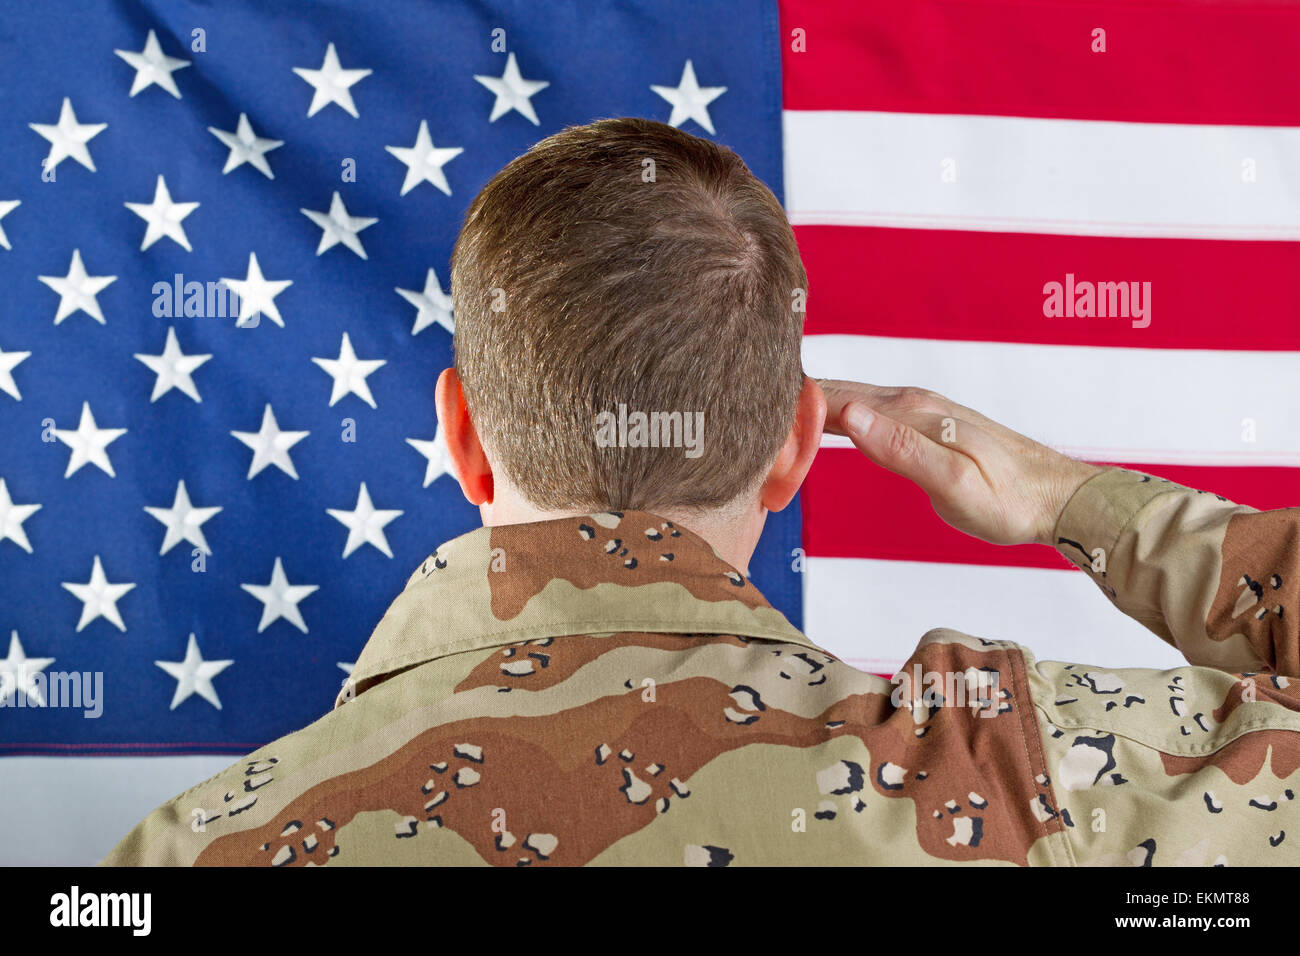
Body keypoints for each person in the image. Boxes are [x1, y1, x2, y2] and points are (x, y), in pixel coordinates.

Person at [102, 118, 1299, 867]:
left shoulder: (182, 853)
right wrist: (1071, 498)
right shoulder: (1015, 779)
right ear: (793, 445)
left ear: (462, 436)